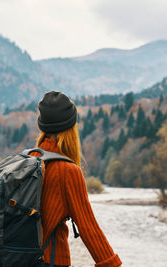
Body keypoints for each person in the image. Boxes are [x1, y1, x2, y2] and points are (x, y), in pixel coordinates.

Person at [30, 91, 122, 267]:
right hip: (50, 261)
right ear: (71, 128)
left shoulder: (27, 160)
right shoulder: (67, 171)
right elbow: (88, 228)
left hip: (16, 260)